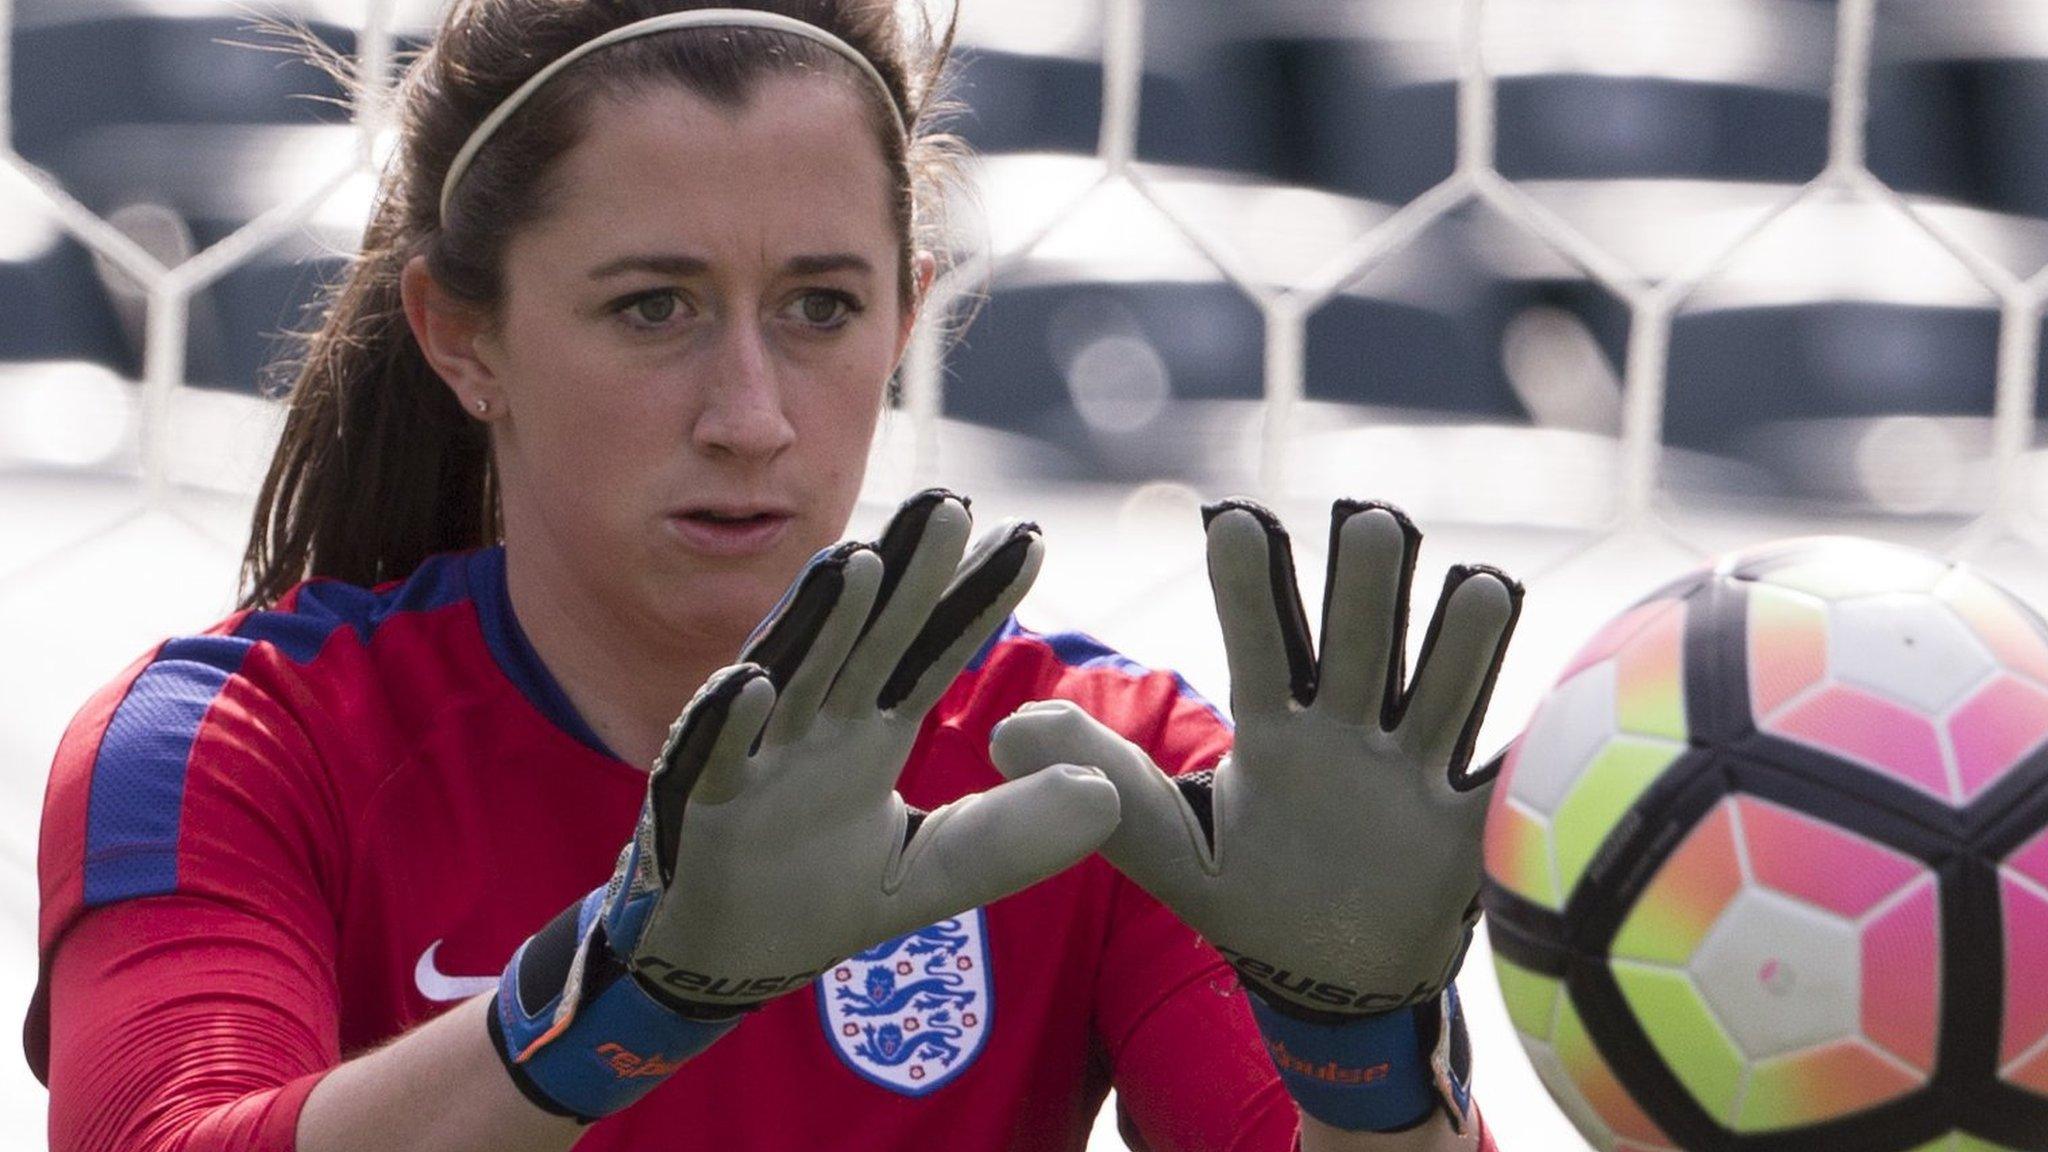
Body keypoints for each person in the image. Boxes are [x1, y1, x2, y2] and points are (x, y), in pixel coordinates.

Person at [26, 2, 1522, 1150]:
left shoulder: (1092, 774)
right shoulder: (228, 749)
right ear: (458, 334)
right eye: (653, 305)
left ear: (908, 314)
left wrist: (1369, 1055)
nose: (750, 415)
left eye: (819, 305)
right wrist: (617, 1003)